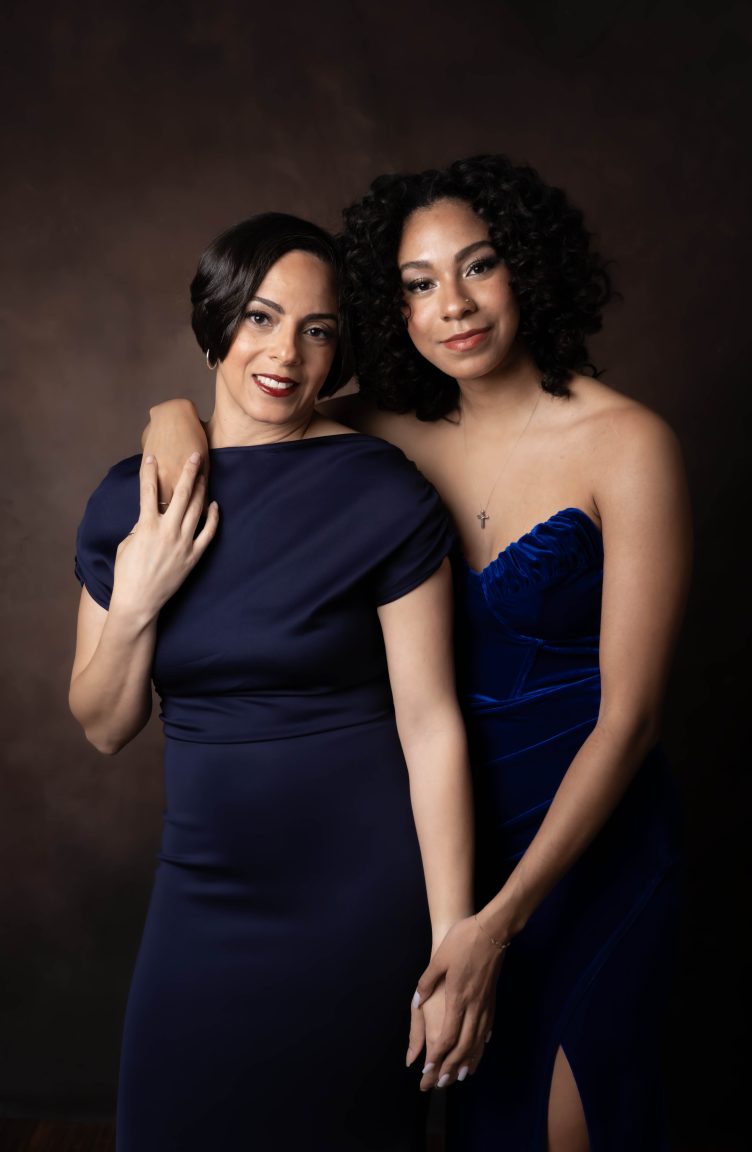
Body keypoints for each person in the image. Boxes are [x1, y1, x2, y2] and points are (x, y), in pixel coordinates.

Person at [141, 156, 693, 1152]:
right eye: (418, 284)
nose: (454, 305)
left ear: (529, 269)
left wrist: (499, 923)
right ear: (391, 309)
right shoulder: (373, 433)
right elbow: (240, 417)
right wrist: (166, 417)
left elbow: (633, 719)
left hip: (586, 848)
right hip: (435, 853)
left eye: (479, 267)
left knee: (574, 1125)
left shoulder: (628, 444)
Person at [69, 211, 479, 1152]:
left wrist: (452, 933)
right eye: (259, 317)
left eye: (317, 329)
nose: (285, 353)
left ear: (341, 349)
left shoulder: (380, 489)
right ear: (216, 321)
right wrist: (139, 599)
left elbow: (430, 723)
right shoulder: (134, 496)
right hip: (204, 888)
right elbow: (100, 723)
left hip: (363, 899)